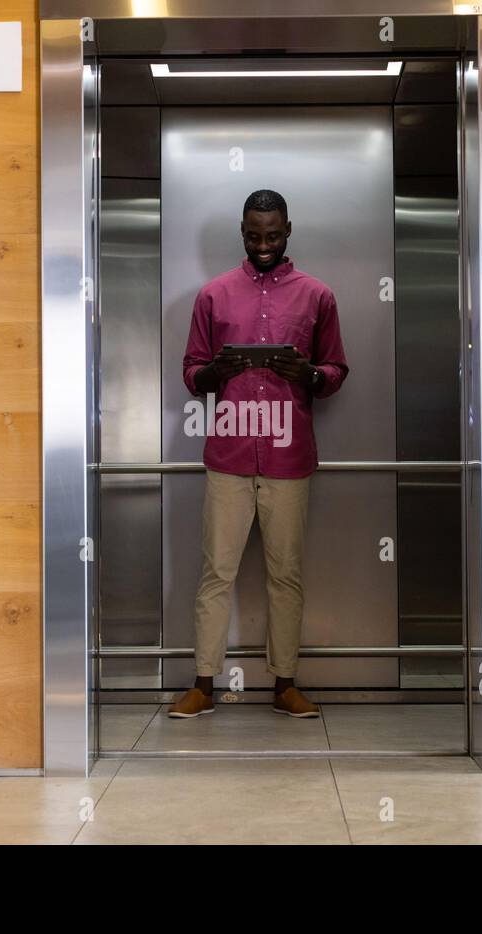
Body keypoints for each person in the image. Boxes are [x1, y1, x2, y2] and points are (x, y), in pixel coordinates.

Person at [167, 189, 349, 719]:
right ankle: (203, 684)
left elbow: (337, 370)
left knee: (286, 574)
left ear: (288, 230)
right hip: (228, 456)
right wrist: (214, 375)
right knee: (215, 573)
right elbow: (191, 371)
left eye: (272, 235)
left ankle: (284, 684)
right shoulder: (213, 296)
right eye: (253, 235)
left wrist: (310, 376)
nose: (263, 244)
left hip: (289, 458)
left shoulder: (318, 296)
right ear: (241, 231)